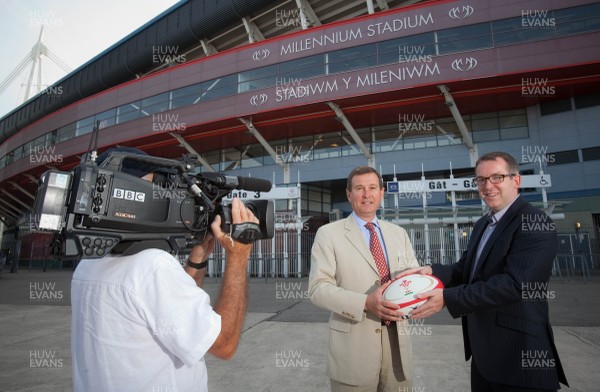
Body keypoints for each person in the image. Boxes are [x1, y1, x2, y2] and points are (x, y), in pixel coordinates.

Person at [71, 147, 258, 391]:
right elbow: (224, 345)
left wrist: (198, 257)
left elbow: (170, 309)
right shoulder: (153, 267)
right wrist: (239, 256)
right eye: (158, 184)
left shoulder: (88, 264)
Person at [400, 151, 569, 391]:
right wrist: (431, 273)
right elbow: (464, 269)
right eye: (481, 180)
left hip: (520, 359)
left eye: (497, 178)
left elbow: (515, 284)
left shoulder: (534, 222)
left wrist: (448, 298)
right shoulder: (483, 224)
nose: (487, 186)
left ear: (516, 180)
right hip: (485, 356)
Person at [309, 166, 420, 392]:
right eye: (359, 188)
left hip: (397, 347)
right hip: (353, 350)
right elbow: (318, 288)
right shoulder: (328, 234)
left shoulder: (399, 233)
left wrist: (422, 284)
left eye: (372, 188)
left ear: (381, 193)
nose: (366, 194)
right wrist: (365, 303)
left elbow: (412, 278)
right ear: (349, 195)